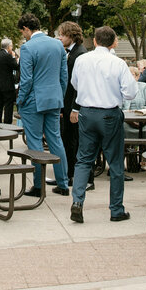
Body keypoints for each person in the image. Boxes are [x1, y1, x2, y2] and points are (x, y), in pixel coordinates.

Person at [68, 26, 136, 223]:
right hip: (109, 113)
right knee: (115, 163)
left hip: (87, 112)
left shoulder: (82, 60)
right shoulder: (118, 63)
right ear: (113, 43)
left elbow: (75, 84)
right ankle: (116, 209)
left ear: (95, 41)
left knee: (83, 160)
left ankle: (77, 202)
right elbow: (130, 92)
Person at [16, 12, 70, 197]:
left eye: (22, 32)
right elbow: (63, 76)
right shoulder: (58, 44)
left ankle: (39, 186)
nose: (23, 36)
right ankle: (63, 184)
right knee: (56, 140)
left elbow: (26, 80)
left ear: (26, 29)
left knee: (35, 143)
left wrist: (20, 100)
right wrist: (59, 96)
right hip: (54, 99)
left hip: (33, 101)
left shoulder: (27, 47)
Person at [58, 21, 88, 191]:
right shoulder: (72, 52)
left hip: (74, 106)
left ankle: (71, 175)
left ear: (71, 35)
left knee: (72, 141)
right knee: (68, 140)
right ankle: (69, 173)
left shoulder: (79, 54)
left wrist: (73, 108)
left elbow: (78, 86)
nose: (60, 37)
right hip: (69, 104)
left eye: (62, 35)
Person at [0, 38, 19, 124]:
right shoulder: (8, 56)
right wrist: (13, 57)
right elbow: (16, 66)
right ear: (8, 47)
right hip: (8, 85)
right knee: (8, 106)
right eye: (11, 46)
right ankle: (7, 124)